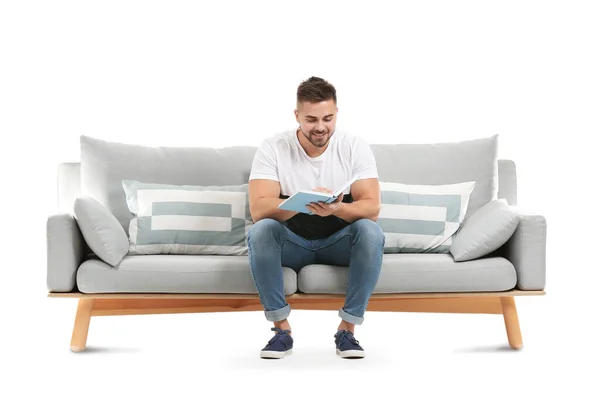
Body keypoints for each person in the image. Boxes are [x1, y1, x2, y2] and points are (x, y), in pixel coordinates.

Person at [247, 76, 385, 359]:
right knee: (262, 230)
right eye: (311, 119)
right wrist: (301, 201)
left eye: (328, 118)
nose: (320, 127)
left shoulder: (354, 146)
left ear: (336, 114)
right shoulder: (274, 147)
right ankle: (281, 331)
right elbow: (259, 210)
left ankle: (347, 330)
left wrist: (338, 209)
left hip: (338, 243)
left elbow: (371, 208)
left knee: (371, 232)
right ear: (297, 115)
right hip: (292, 244)